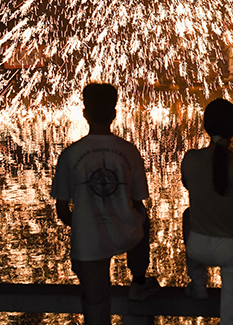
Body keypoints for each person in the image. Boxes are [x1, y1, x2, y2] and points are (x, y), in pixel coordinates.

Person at [50, 83, 159, 325]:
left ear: (85, 113)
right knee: (142, 216)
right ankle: (139, 280)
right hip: (126, 233)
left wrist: (82, 223)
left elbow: (61, 209)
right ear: (114, 113)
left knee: (96, 304)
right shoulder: (129, 151)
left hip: (87, 240)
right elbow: (138, 200)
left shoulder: (69, 154)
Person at [181, 98, 233, 325]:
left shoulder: (190, 158)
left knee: (188, 214)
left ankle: (198, 284)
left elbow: (189, 184)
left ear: (205, 126)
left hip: (198, 246)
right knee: (231, 316)